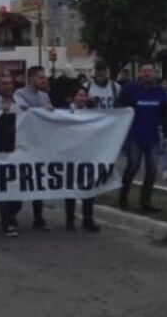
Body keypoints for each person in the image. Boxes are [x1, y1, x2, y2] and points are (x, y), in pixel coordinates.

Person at [117, 63, 167, 213]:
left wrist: (166, 135)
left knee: (152, 170)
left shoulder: (160, 92)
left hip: (153, 137)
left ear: (154, 74)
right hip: (134, 136)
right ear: (139, 73)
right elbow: (118, 108)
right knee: (132, 167)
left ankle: (145, 202)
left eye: (150, 71)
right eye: (144, 71)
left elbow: (165, 116)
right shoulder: (129, 90)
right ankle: (123, 199)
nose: (147, 73)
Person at [14, 65, 52, 229]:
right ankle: (12, 215)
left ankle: (38, 217)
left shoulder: (44, 96)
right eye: (40, 77)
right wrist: (43, 111)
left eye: (44, 77)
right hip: (24, 143)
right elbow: (24, 112)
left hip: (40, 143)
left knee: (39, 180)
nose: (44, 80)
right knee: (21, 179)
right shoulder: (19, 94)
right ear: (31, 79)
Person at [0, 72, 23, 237]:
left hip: (18, 150)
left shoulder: (20, 102)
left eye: (10, 82)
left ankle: (12, 214)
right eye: (4, 83)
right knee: (3, 187)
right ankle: (7, 220)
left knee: (18, 189)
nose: (8, 86)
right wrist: (1, 112)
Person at [65, 86, 101, 233]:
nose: (82, 98)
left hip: (87, 154)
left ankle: (88, 219)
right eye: (79, 95)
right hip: (70, 154)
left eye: (84, 96)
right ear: (73, 97)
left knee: (88, 188)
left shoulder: (91, 112)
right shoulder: (65, 111)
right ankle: (70, 220)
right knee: (71, 189)